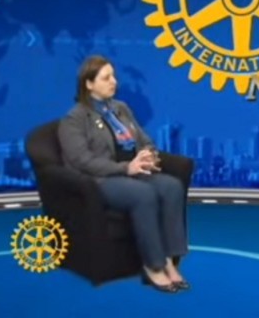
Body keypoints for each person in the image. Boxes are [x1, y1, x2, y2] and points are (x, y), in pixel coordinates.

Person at [58, 55, 189, 293]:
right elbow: (83, 161)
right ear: (89, 84)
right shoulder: (74, 119)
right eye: (106, 78)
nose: (114, 82)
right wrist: (125, 168)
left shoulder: (121, 109)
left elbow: (143, 139)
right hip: (102, 180)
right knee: (143, 194)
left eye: (114, 76)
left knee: (171, 186)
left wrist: (148, 155)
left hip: (133, 171)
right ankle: (153, 265)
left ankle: (170, 259)